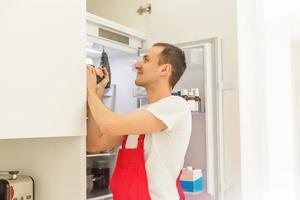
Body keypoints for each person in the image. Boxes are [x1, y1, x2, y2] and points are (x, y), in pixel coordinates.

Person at [86, 43, 192, 200]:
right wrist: (98, 91)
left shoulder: (176, 106)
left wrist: (89, 91)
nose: (137, 65)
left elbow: (108, 125)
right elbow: (95, 144)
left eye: (146, 60)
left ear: (164, 70)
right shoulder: (140, 115)